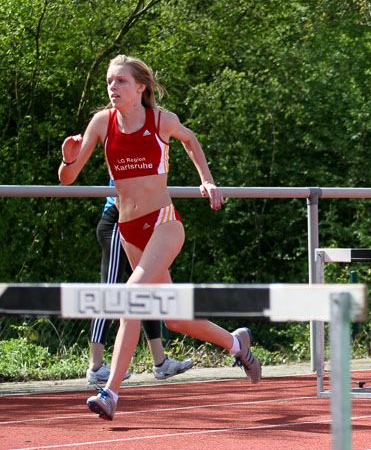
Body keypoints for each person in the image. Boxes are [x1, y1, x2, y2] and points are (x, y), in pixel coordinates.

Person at [59, 54, 261, 420]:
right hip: (129, 230)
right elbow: (67, 179)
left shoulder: (161, 120)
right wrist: (69, 159)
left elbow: (190, 140)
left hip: (164, 222)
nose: (113, 88)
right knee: (174, 319)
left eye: (121, 81)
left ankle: (111, 393)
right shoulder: (102, 122)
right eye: (109, 81)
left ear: (141, 88)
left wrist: (207, 179)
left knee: (131, 297)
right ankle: (238, 344)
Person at [86, 185, 194, 384]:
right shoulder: (125, 157)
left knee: (146, 289)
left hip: (139, 222)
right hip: (119, 222)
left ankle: (160, 362)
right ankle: (96, 365)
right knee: (111, 291)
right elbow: (122, 194)